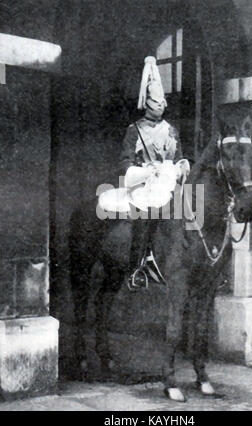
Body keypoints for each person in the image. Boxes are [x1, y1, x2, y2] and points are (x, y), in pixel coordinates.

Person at [99, 56, 189, 289]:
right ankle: (139, 266)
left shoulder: (171, 131)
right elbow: (125, 162)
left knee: (192, 206)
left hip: (168, 182)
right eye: (154, 102)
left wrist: (181, 165)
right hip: (144, 183)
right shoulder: (134, 130)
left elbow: (178, 156)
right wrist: (144, 171)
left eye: (161, 102)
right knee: (145, 213)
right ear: (146, 103)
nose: (158, 106)